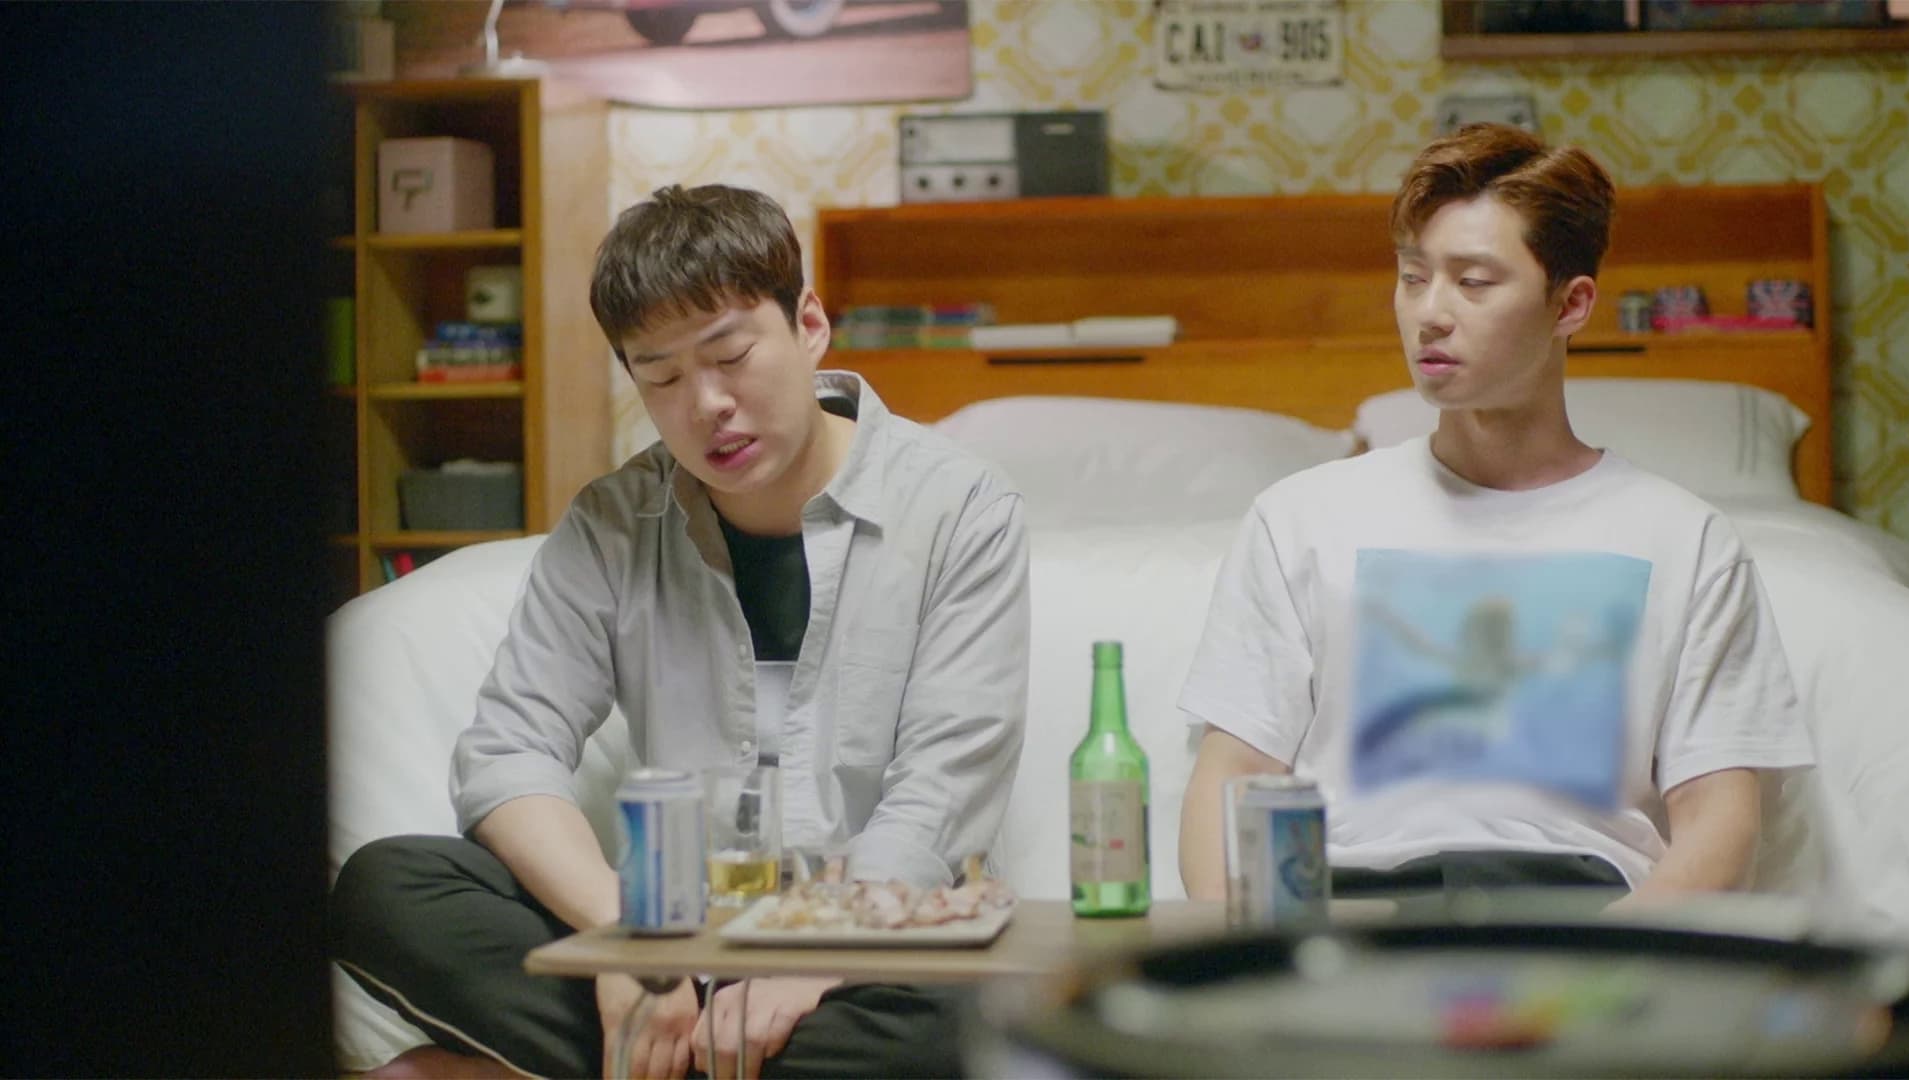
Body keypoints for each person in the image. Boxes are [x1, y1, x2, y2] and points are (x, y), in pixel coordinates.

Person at [331, 184, 1029, 1079]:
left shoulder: (960, 506)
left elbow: (942, 784)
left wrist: (817, 953)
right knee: (387, 885)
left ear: (809, 324)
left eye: (731, 356)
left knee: (980, 1021)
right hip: (683, 942)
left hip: (871, 945)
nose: (706, 405)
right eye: (660, 378)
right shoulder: (613, 523)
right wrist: (633, 937)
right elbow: (509, 755)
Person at [1177, 124, 1812, 910]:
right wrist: (1236, 951)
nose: (1430, 314)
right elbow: (1232, 776)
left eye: (1474, 282)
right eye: (1413, 278)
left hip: (1578, 914)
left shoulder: (1685, 541)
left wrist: (1606, 959)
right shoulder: (1300, 520)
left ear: (1571, 304)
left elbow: (1720, 820)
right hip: (1349, 912)